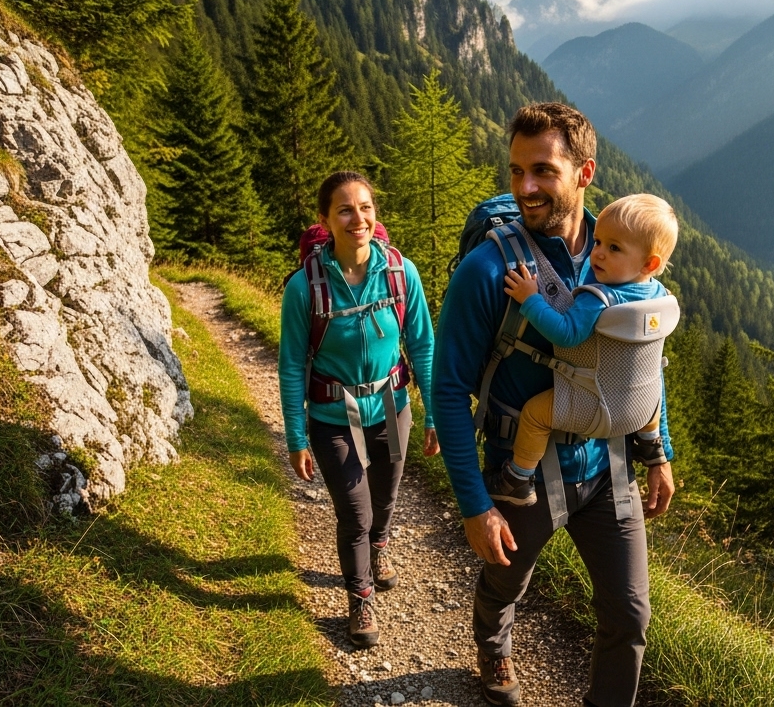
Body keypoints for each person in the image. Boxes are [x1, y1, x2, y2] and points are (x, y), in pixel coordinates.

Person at [432, 104, 676, 706]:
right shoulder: (488, 269)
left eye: (542, 170)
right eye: (516, 171)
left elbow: (643, 357)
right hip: (525, 469)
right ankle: (493, 647)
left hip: (608, 462)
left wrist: (657, 451)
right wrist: (474, 504)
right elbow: (446, 388)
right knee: (504, 580)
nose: (525, 188)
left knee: (630, 614)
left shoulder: (624, 245)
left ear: (584, 173)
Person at [278, 171, 439, 649]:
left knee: (385, 500)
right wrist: (296, 436)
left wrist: (434, 414)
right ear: (325, 219)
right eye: (345, 209)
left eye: (365, 207)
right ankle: (360, 596)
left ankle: (380, 547)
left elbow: (423, 346)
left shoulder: (399, 272)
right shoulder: (305, 288)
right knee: (355, 511)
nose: (358, 218)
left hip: (392, 405)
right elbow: (290, 366)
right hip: (332, 416)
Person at [487, 194, 679, 507]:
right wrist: (661, 450)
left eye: (614, 248)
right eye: (599, 242)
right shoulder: (660, 296)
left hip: (592, 403)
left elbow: (566, 334)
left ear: (650, 263)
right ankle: (649, 445)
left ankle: (518, 478)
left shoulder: (598, 298)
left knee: (534, 415)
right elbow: (652, 365)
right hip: (639, 407)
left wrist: (530, 299)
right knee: (649, 380)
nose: (598, 254)